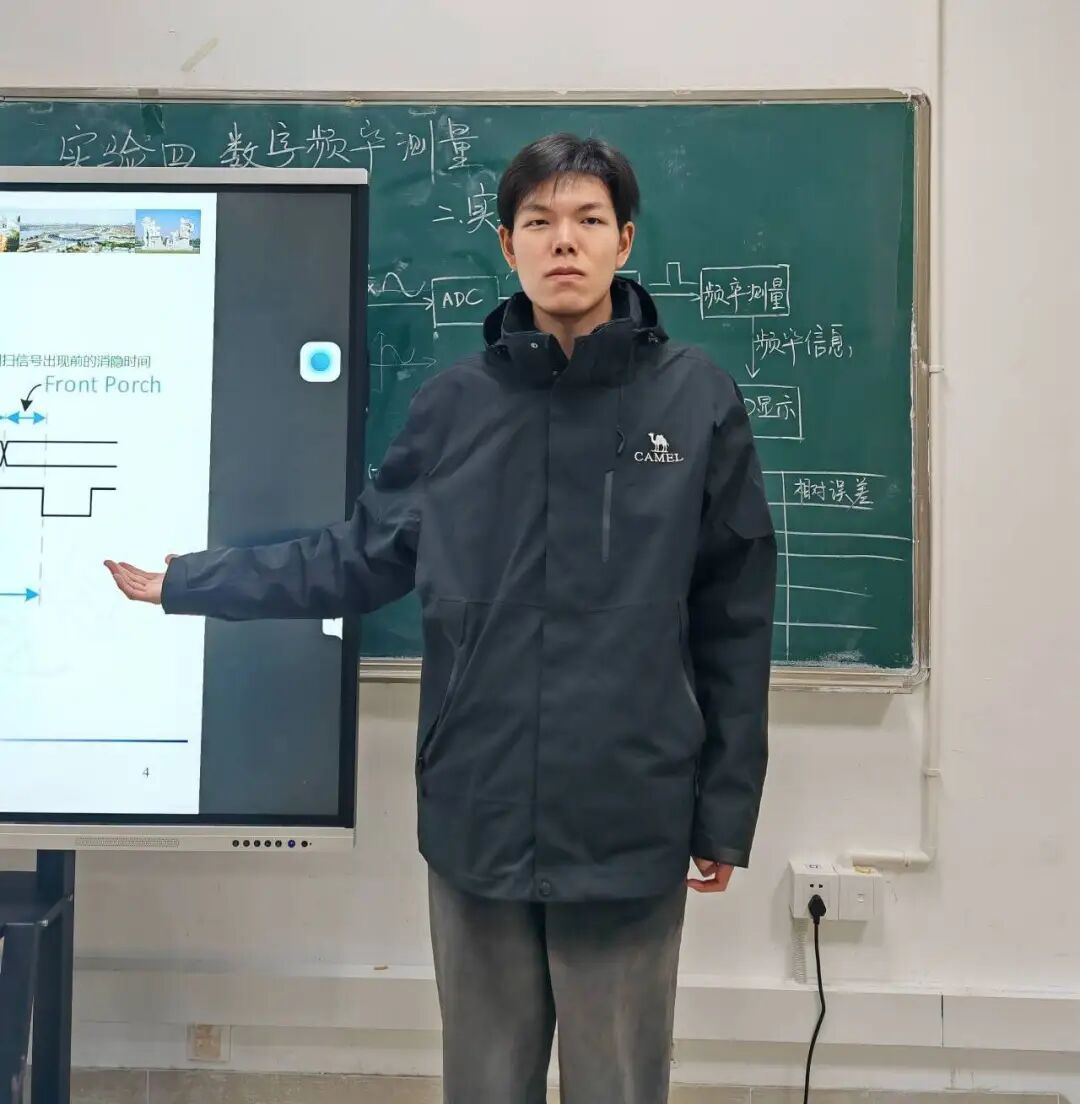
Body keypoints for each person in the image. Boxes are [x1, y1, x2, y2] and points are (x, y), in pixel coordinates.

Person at [106, 133, 777, 1104]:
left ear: (624, 240)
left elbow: (736, 617)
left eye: (588, 220)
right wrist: (196, 581)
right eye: (539, 221)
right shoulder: (457, 406)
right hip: (480, 811)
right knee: (484, 1083)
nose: (564, 241)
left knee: (620, 1085)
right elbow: (357, 558)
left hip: (629, 812)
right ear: (508, 244)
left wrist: (724, 810)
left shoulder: (696, 398)